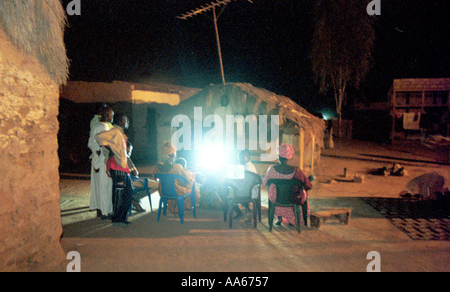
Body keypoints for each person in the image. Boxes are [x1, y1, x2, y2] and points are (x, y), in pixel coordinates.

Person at [95, 113, 133, 227]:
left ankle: (121, 217)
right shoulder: (115, 131)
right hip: (117, 166)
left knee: (127, 193)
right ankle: (117, 219)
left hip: (121, 166)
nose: (127, 122)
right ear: (121, 120)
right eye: (126, 119)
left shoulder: (119, 133)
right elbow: (99, 137)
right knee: (119, 194)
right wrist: (110, 147)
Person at [262, 143, 312, 227]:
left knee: (273, 192)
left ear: (278, 157)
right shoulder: (297, 170)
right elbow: (308, 185)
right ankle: (295, 219)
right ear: (290, 157)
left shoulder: (271, 169)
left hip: (276, 200)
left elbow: (264, 183)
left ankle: (279, 217)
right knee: (303, 193)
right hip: (293, 199)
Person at [150, 142, 195, 214]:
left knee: (175, 184)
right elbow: (187, 179)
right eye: (174, 156)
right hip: (175, 192)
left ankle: (174, 206)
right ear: (172, 156)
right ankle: (185, 206)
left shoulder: (158, 167)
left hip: (163, 191)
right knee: (191, 184)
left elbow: (156, 178)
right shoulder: (177, 167)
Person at [88, 106, 114, 219]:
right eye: (111, 114)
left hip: (102, 160)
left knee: (101, 186)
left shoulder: (105, 126)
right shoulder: (99, 126)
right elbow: (92, 143)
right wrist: (97, 156)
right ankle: (104, 212)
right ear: (107, 115)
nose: (113, 117)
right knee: (104, 186)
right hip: (101, 161)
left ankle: (101, 209)